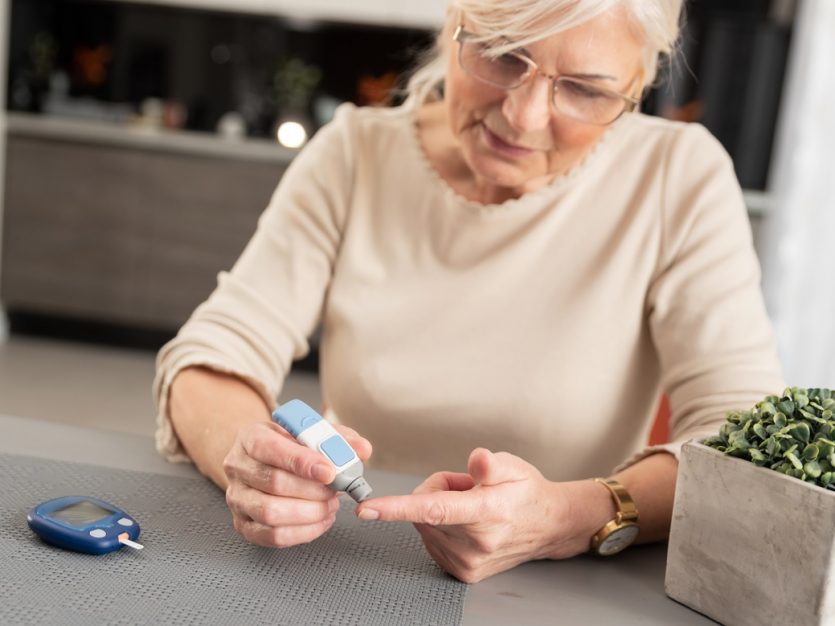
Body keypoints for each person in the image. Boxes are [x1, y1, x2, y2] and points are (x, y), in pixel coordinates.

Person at [153, 0, 784, 583]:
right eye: (504, 54)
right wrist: (247, 457)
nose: (523, 116)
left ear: (636, 89)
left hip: (569, 585)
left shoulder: (681, 178)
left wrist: (571, 516)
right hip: (348, 564)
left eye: (586, 90)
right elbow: (211, 356)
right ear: (452, 24)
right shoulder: (355, 154)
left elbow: (745, 439)